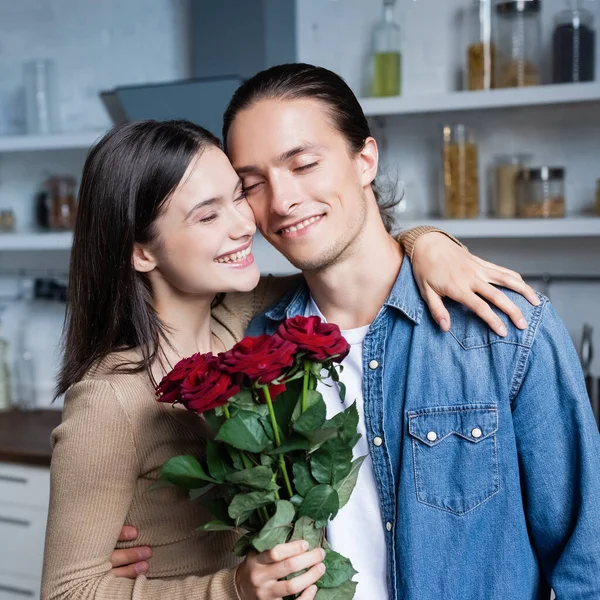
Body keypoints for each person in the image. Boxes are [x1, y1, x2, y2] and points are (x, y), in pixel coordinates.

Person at [40, 117, 537, 600]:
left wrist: (427, 242)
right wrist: (231, 589)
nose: (244, 225)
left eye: (238, 196)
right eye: (208, 215)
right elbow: (67, 592)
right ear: (142, 253)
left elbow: (354, 261)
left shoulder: (248, 318)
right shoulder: (110, 398)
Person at [215, 63, 600, 599]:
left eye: (303, 164)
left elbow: (589, 560)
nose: (280, 201)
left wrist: (426, 240)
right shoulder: (257, 348)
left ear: (365, 159)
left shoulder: (505, 327)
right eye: (252, 184)